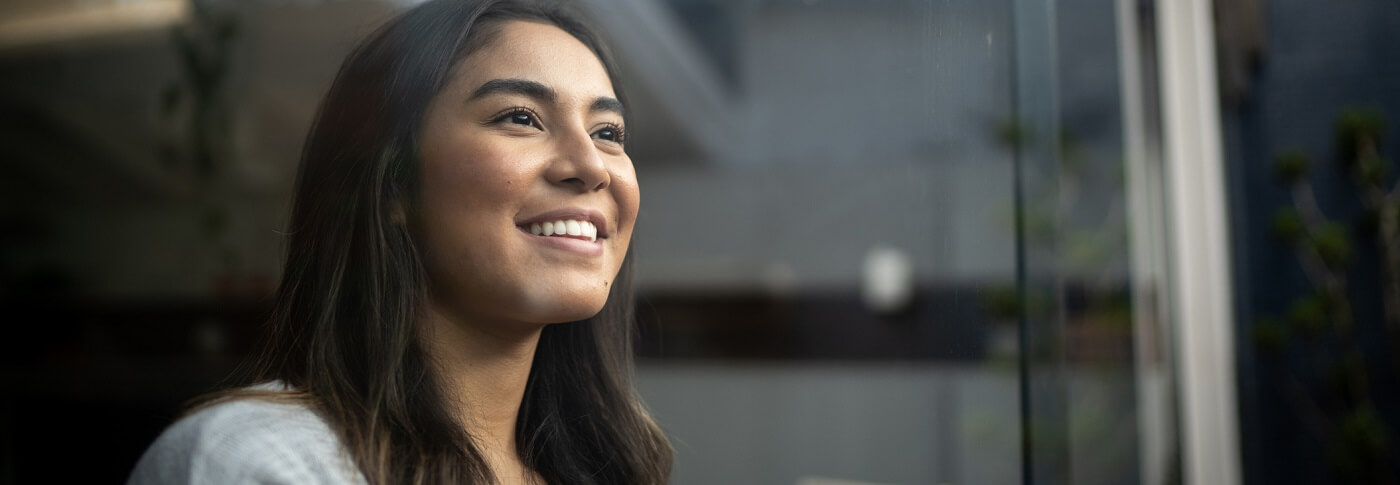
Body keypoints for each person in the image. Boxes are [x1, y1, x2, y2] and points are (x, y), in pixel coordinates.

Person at [127, 0, 672, 483]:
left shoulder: (613, 471)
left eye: (608, 133)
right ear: (393, 182)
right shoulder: (259, 461)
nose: (591, 167)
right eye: (521, 117)